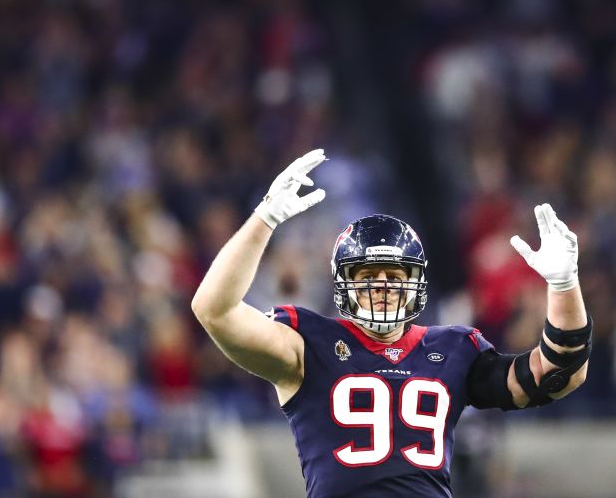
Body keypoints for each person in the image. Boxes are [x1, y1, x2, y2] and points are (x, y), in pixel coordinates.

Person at [191, 149, 592, 497]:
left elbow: (556, 375)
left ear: (415, 284)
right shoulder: (308, 343)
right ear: (344, 283)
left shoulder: (453, 350)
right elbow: (215, 310)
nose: (382, 287)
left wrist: (564, 284)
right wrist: (264, 219)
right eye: (367, 277)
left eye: (395, 277)